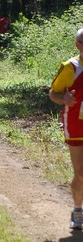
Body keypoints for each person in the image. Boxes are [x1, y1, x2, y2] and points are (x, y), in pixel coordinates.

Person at [49, 28, 83, 229]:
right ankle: (78, 210)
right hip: (76, 125)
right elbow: (53, 93)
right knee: (80, 172)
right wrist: (64, 98)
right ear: (78, 45)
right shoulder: (70, 67)